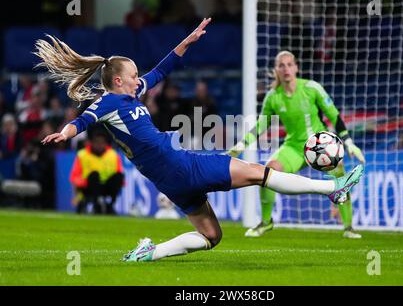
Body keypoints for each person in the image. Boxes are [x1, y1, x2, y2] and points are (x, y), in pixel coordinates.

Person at [37, 18, 363, 262]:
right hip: (181, 164)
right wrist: (63, 133)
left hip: (169, 179)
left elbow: (162, 70)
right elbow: (81, 122)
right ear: (119, 80)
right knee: (258, 173)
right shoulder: (107, 102)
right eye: (135, 75)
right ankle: (332, 189)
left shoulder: (132, 93)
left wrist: (187, 41)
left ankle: (149, 253)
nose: (140, 79)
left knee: (211, 235)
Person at [228, 51, 366, 239]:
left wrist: (348, 142)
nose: (286, 69)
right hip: (294, 147)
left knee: (340, 174)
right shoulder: (273, 97)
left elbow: (333, 114)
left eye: (289, 64)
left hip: (319, 144)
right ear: (276, 70)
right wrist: (242, 144)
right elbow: (262, 125)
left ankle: (348, 227)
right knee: (267, 171)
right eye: (281, 65)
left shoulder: (311, 88)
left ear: (296, 67)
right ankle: (266, 222)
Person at [69, 129, 124, 215]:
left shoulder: (113, 155)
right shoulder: (82, 155)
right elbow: (74, 177)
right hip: (88, 187)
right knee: (94, 175)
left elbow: (120, 175)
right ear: (91, 142)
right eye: (97, 142)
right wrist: (85, 182)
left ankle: (110, 205)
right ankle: (97, 204)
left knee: (118, 176)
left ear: (106, 143)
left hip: (106, 187)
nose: (99, 145)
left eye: (102, 142)